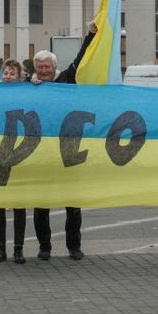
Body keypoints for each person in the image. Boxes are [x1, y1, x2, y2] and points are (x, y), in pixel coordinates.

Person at [29, 22, 96, 261]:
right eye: (40, 67)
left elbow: (82, 57)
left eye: (47, 66)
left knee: (72, 204)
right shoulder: (28, 87)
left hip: (69, 150)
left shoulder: (68, 78)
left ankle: (74, 246)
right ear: (35, 68)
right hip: (40, 152)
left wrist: (90, 34)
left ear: (54, 67)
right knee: (41, 205)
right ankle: (44, 247)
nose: (44, 70)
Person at [0, 59, 28, 264]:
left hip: (19, 152)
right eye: (6, 73)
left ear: (19, 76)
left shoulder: (27, 93)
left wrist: (39, 85)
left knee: (18, 203)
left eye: (12, 73)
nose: (8, 76)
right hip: (0, 151)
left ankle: (18, 249)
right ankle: (0, 248)